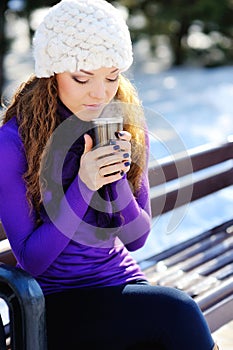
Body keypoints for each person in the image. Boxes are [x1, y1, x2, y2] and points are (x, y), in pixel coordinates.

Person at [0, 0, 218, 349]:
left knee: (172, 324)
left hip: (122, 283)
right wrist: (84, 185)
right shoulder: (13, 143)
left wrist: (114, 177)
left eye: (112, 76)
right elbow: (34, 260)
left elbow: (136, 239)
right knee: (179, 314)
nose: (100, 92)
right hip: (52, 305)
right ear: (51, 73)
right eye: (82, 78)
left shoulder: (126, 122)